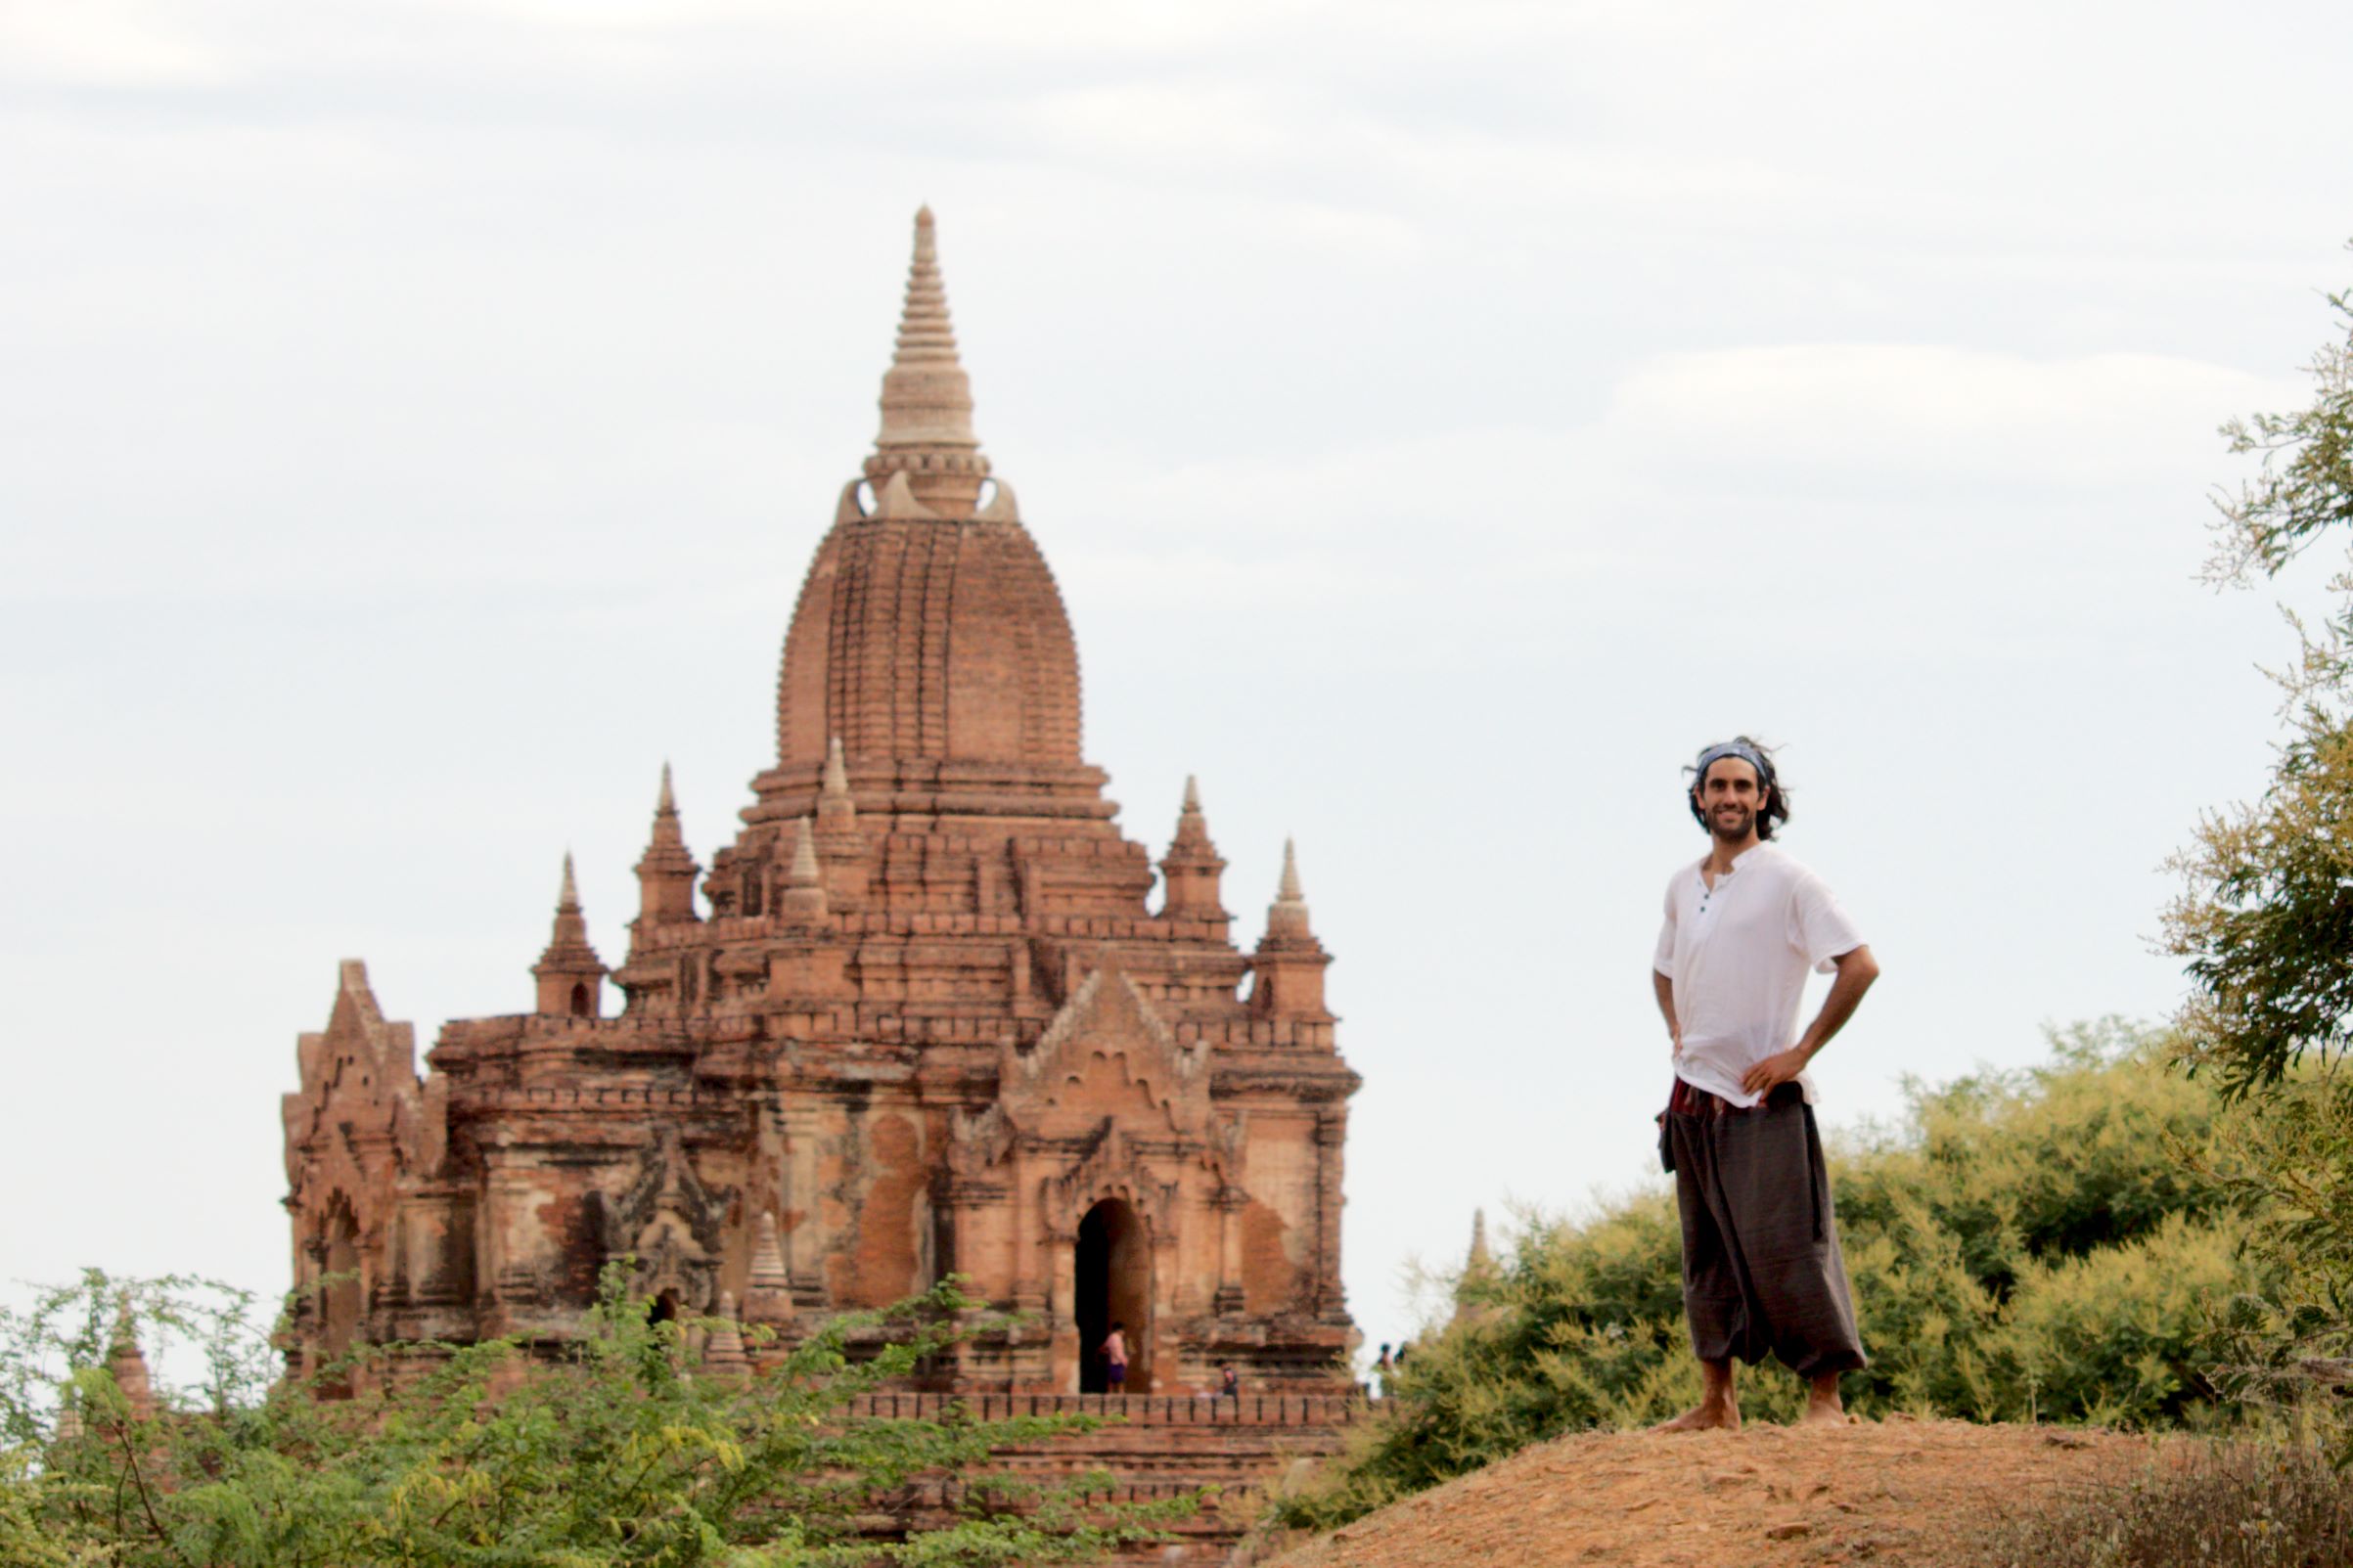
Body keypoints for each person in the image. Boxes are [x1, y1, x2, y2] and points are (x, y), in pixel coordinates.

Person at [1652, 737, 1879, 1431]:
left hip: (1762, 1093)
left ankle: (1825, 1399)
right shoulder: (1682, 885)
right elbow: (1662, 969)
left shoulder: (1789, 880)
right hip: (1693, 1090)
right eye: (1716, 786)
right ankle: (1717, 1401)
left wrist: (1799, 1050)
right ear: (1698, 798)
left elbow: (1859, 964)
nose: (1728, 797)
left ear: (1763, 798)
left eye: (1742, 787)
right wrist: (1677, 1033)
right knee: (1707, 1249)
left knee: (1788, 1241)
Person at [1099, 1321, 1128, 1390]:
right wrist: (1124, 1360)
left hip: (1111, 1362)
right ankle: (1121, 1396)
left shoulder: (1110, 1337)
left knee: (1112, 1381)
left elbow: (1103, 1347)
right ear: (1119, 1330)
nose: (1124, 1332)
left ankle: (1110, 1396)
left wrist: (1108, 1352)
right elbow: (1117, 1352)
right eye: (1123, 1330)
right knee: (1121, 1381)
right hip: (1118, 1362)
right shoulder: (1117, 1338)